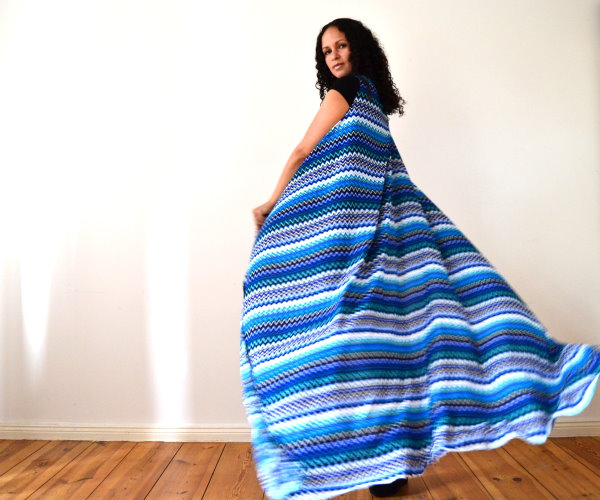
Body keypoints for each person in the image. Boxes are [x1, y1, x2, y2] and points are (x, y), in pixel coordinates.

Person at [240, 17, 600, 500]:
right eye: (327, 51)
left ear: (359, 49)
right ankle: (389, 466)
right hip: (384, 236)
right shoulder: (373, 102)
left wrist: (272, 202)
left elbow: (304, 150)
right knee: (395, 343)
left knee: (347, 341)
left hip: (357, 238)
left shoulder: (346, 92)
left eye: (342, 46)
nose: (335, 56)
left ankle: (347, 458)